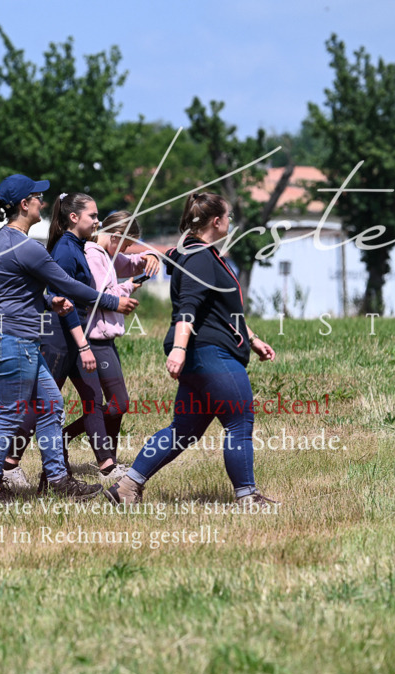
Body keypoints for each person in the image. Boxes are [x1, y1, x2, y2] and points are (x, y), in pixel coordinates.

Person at [104, 192, 279, 506]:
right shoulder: (199, 257)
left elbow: (221, 310)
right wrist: (180, 348)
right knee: (239, 420)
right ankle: (247, 496)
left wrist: (252, 339)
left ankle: (127, 487)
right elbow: (190, 306)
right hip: (209, 352)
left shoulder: (199, 254)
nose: (230, 222)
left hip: (204, 352)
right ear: (216, 221)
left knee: (184, 430)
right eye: (228, 216)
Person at [0, 175, 138, 502]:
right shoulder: (26, 247)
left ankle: (59, 479)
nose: (42, 203)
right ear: (25, 204)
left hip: (9, 336)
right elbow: (70, 285)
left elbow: (13, 291)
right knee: (9, 415)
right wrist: (112, 302)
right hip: (13, 339)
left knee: (51, 406)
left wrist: (49, 302)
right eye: (37, 197)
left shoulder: (2, 241)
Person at [59, 210, 159, 474]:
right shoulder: (93, 254)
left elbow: (128, 263)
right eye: (125, 244)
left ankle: (109, 462)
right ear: (115, 236)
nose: (126, 250)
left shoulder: (106, 253)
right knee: (118, 403)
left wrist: (149, 257)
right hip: (94, 338)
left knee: (116, 403)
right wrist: (130, 287)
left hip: (105, 338)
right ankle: (65, 439)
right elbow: (101, 295)